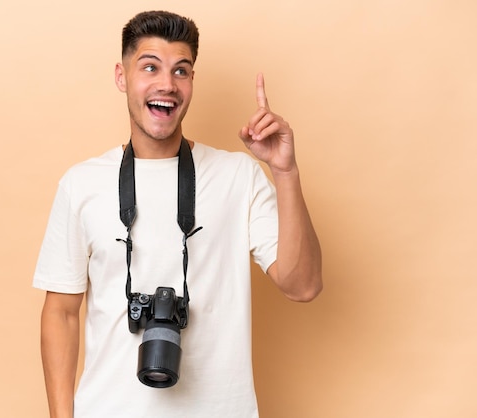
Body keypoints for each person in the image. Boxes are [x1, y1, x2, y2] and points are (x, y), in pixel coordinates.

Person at [33, 10, 322, 418]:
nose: (166, 85)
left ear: (191, 81)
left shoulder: (237, 176)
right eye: (150, 67)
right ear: (122, 77)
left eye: (181, 71)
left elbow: (303, 285)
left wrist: (285, 172)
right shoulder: (81, 184)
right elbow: (60, 314)